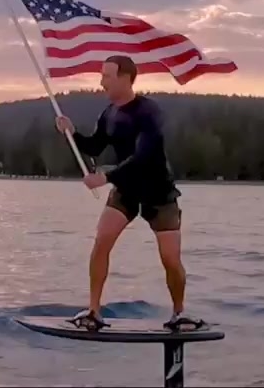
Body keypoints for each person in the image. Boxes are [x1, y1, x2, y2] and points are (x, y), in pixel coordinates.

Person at [55, 55, 204, 332]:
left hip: (158, 192)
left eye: (107, 77)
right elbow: (95, 147)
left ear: (125, 78)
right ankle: (94, 311)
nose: (102, 83)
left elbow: (143, 155)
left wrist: (106, 177)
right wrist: (72, 134)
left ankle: (179, 313)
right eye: (102, 77)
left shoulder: (149, 111)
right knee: (102, 242)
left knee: (170, 259)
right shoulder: (109, 113)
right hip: (126, 191)